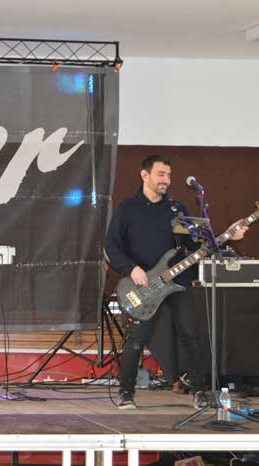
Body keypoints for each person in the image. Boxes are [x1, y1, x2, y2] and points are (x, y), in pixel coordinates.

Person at [105, 154, 246, 410]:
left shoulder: (177, 209)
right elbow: (111, 246)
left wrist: (226, 236)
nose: (167, 180)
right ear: (145, 175)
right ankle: (126, 392)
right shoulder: (127, 208)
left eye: (169, 175)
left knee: (191, 337)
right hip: (143, 286)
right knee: (136, 340)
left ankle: (199, 391)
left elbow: (195, 245)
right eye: (161, 174)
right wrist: (131, 268)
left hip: (178, 282)